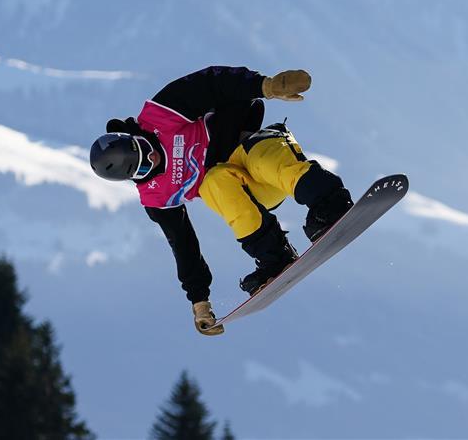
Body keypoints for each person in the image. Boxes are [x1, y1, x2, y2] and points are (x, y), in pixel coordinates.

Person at [89, 66, 353, 335]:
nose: (152, 159)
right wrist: (199, 301)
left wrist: (265, 86)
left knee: (260, 156)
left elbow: (212, 83)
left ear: (136, 138)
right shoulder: (156, 195)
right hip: (251, 192)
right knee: (212, 182)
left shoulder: (160, 115)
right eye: (143, 168)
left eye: (144, 150)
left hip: (256, 150)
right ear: (134, 178)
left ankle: (328, 202)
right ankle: (274, 256)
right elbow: (183, 244)